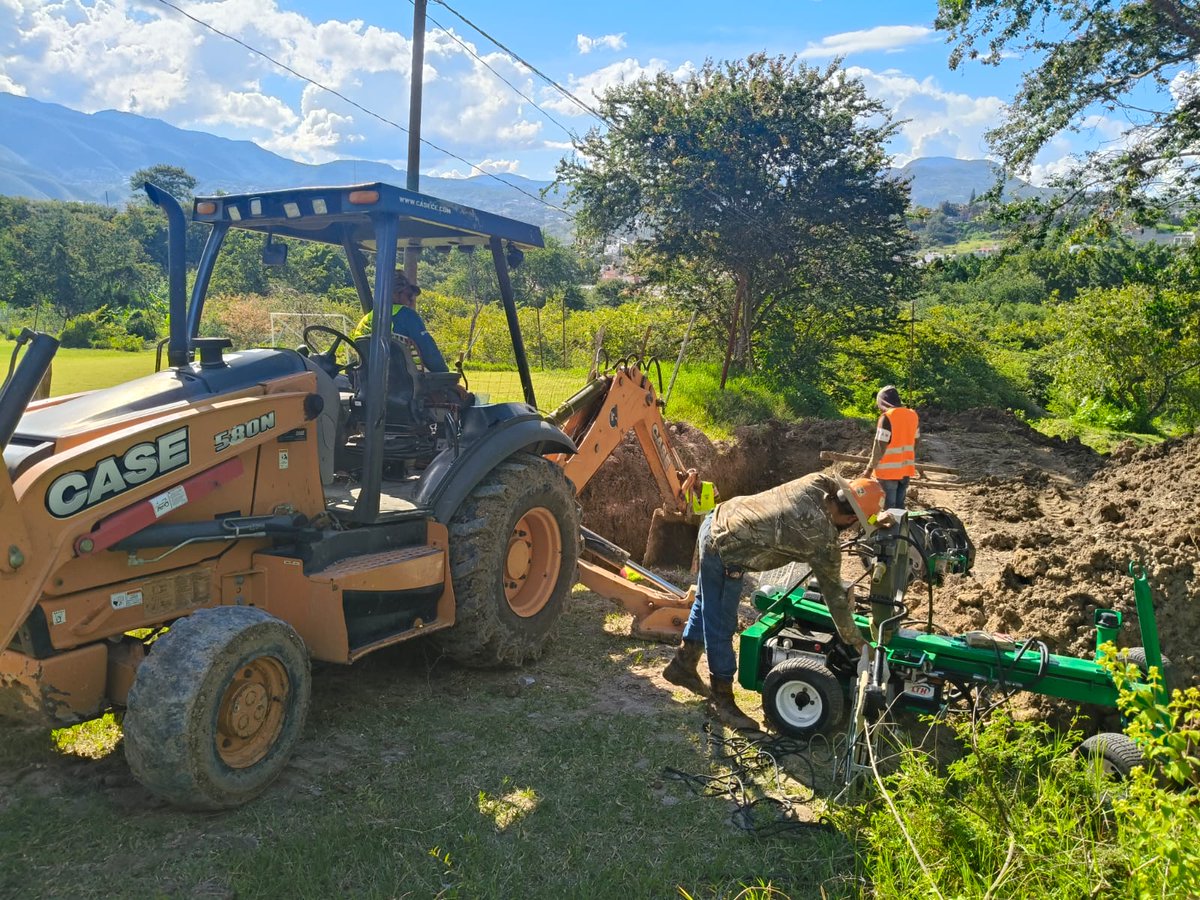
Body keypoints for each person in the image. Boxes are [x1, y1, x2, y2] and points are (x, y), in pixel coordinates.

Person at [662, 472, 886, 730]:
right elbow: (835, 598)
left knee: (706, 604)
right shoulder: (821, 540)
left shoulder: (820, 482)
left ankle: (682, 665)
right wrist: (857, 641)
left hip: (717, 519)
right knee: (721, 624)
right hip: (724, 549)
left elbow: (855, 483)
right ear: (849, 519)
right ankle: (721, 701)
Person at [351, 269, 449, 373]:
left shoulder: (365, 320)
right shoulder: (407, 316)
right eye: (409, 296)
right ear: (395, 293)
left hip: (368, 381)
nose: (411, 301)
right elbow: (429, 352)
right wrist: (444, 373)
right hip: (406, 382)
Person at [862, 384, 920, 511]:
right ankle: (901, 530)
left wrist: (868, 470)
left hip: (888, 473)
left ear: (883, 401)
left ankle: (890, 531)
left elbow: (879, 448)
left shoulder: (887, 418)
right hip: (905, 470)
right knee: (900, 507)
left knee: (888, 510)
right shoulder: (912, 415)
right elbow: (916, 441)